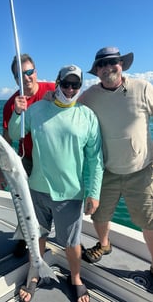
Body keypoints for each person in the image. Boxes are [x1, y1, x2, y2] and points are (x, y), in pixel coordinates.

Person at [8, 65, 104, 302]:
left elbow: (95, 159)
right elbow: (13, 134)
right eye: (66, 84)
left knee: (72, 243)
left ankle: (76, 278)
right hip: (37, 188)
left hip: (71, 193)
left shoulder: (87, 115)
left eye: (75, 85)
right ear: (57, 82)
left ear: (80, 87)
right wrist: (17, 114)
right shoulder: (37, 109)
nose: (70, 89)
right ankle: (34, 274)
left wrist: (93, 193)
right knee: (36, 236)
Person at [79, 47, 153, 275]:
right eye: (101, 64)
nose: (107, 67)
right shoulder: (90, 95)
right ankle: (104, 244)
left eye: (112, 62)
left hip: (141, 171)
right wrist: (51, 97)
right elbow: (69, 110)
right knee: (98, 215)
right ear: (96, 71)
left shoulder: (143, 88)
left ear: (122, 64)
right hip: (107, 169)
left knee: (148, 221)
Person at [0, 53, 55, 257]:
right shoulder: (12, 104)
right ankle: (26, 238)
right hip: (27, 160)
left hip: (53, 157)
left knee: (54, 200)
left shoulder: (53, 89)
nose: (27, 77)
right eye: (21, 75)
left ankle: (60, 237)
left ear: (36, 72)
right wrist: (2, 170)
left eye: (30, 72)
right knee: (25, 201)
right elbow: (6, 140)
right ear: (15, 79)